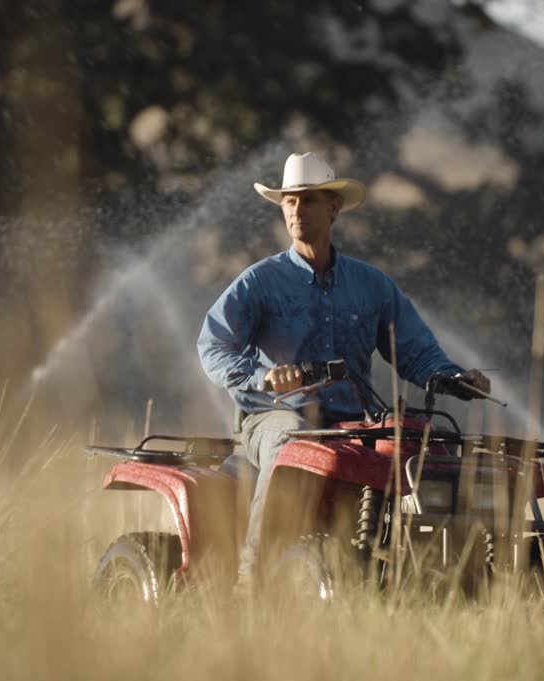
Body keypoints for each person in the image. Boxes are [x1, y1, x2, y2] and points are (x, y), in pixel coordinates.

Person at [196, 152, 491, 585]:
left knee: (431, 450)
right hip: (276, 417)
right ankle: (252, 583)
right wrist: (263, 377)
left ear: (334, 208)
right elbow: (213, 345)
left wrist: (451, 377)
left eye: (309, 200)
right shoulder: (258, 282)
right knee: (288, 444)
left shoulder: (372, 284)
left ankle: (437, 573)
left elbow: (414, 349)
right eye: (290, 202)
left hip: (357, 423)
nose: (297, 211)